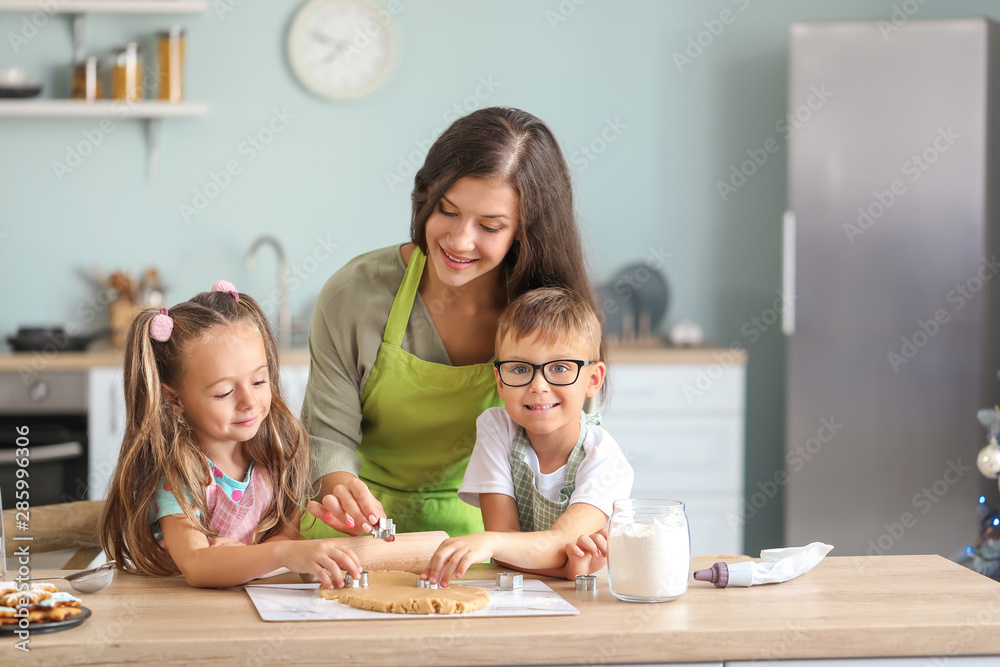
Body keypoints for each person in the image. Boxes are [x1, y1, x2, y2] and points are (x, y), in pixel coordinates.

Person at [303, 107, 603, 539]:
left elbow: (581, 449)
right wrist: (340, 487)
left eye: (489, 225)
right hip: (353, 537)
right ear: (426, 195)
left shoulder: (556, 318)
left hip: (490, 538)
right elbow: (326, 438)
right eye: (446, 210)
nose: (460, 240)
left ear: (524, 229)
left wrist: (564, 538)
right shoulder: (353, 296)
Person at [100, 281, 361, 589]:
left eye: (259, 381)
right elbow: (197, 564)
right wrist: (275, 554)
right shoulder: (181, 474)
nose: (249, 402)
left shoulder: (277, 453)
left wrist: (271, 553)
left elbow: (286, 535)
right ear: (175, 399)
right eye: (224, 392)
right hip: (185, 617)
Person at [421, 287, 633, 584]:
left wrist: (492, 543)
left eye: (559, 367)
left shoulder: (605, 459)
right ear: (500, 381)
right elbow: (509, 547)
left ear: (593, 379)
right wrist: (564, 569)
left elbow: (560, 541)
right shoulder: (496, 429)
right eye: (520, 368)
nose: (538, 386)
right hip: (518, 592)